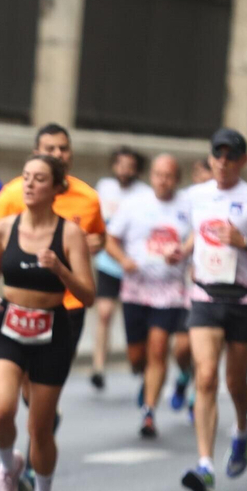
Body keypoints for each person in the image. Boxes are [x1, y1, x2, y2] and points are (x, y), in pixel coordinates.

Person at [0, 123, 106, 491]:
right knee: (4, 409)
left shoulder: (85, 201)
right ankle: (11, 465)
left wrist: (69, 260)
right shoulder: (12, 200)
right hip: (14, 317)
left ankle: (38, 485)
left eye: (62, 148)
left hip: (61, 315)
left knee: (39, 417)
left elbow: (99, 243)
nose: (31, 184)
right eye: (47, 148)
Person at [178, 128, 247, 491]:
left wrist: (245, 243)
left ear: (243, 161)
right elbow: (195, 235)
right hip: (205, 294)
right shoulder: (195, 196)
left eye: (230, 156)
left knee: (236, 384)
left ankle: (242, 428)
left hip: (244, 299)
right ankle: (205, 465)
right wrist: (183, 251)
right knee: (205, 378)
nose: (222, 162)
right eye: (217, 155)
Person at [104, 153, 191, 439]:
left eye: (169, 176)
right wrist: (124, 260)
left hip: (169, 291)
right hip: (135, 288)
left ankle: (149, 411)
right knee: (136, 356)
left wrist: (184, 251)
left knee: (158, 349)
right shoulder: (134, 204)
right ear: (151, 176)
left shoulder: (187, 206)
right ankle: (144, 378)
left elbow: (198, 236)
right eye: (158, 175)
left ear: (177, 180)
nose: (163, 181)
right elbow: (111, 241)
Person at [92, 147, 152, 392]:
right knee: (104, 313)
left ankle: (139, 361)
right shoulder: (104, 187)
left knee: (137, 320)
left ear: (137, 169)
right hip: (108, 261)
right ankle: (98, 367)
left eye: (130, 165)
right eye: (120, 164)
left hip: (135, 266)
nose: (125, 170)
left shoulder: (145, 194)